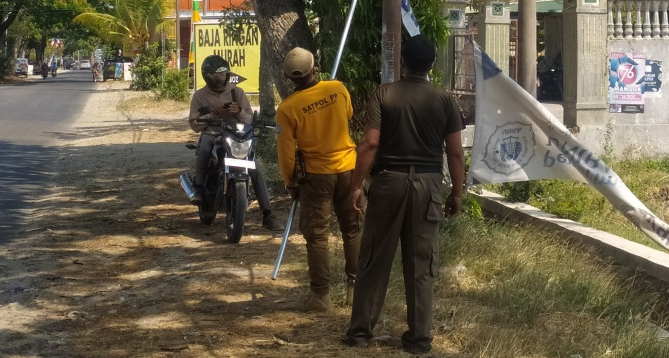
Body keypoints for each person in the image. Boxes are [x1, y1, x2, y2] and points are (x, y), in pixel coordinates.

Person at [344, 35, 465, 355]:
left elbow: (369, 144)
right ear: (432, 65)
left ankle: (359, 333)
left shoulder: (384, 94)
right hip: (428, 186)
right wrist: (457, 192)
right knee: (422, 264)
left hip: (388, 184)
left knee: (374, 259)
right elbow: (455, 153)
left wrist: (356, 185)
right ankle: (419, 339)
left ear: (403, 62)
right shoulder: (445, 99)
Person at [276, 47, 362, 312]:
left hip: (315, 177)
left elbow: (286, 151)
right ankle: (355, 290)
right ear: (315, 68)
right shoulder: (338, 89)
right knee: (353, 229)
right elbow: (347, 115)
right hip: (349, 169)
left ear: (289, 78)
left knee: (317, 237)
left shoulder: (287, 109)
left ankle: (321, 296)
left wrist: (290, 182)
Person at [188, 55, 282, 231]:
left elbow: (249, 118)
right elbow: (194, 123)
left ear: (227, 75)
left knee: (256, 168)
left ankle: (268, 213)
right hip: (213, 134)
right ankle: (199, 187)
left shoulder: (236, 93)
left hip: (236, 135)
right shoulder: (200, 96)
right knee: (205, 149)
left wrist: (238, 111)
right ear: (206, 77)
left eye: (221, 75)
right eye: (213, 76)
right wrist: (213, 114)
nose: (218, 79)